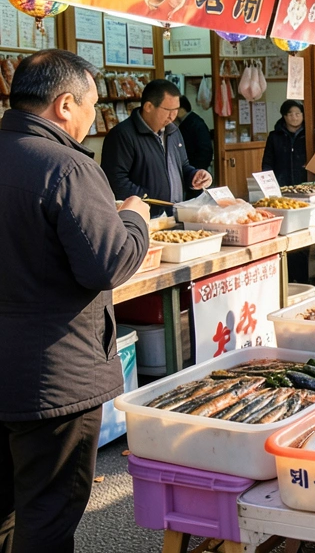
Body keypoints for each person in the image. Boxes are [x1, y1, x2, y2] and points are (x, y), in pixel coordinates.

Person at [0, 50, 150, 553]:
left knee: (8, 510)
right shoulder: (67, 166)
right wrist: (134, 218)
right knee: (48, 514)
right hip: (53, 377)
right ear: (65, 105)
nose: (93, 116)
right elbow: (108, 263)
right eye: (92, 105)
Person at [101, 79, 211, 202]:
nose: (172, 116)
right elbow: (116, 181)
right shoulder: (122, 135)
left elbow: (182, 166)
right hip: (143, 212)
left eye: (176, 110)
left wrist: (194, 175)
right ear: (148, 107)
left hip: (174, 210)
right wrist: (150, 200)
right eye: (168, 110)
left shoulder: (174, 131)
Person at [261, 99, 308, 187]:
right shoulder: (274, 136)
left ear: (303, 115)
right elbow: (268, 162)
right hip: (281, 184)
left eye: (297, 114)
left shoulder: (308, 135)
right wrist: (268, 183)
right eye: (290, 114)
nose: (294, 118)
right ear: (284, 116)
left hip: (306, 184)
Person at [175, 97, 213, 175]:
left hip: (196, 169)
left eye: (175, 109)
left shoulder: (194, 123)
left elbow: (205, 150)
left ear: (181, 110)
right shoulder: (188, 122)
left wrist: (197, 171)